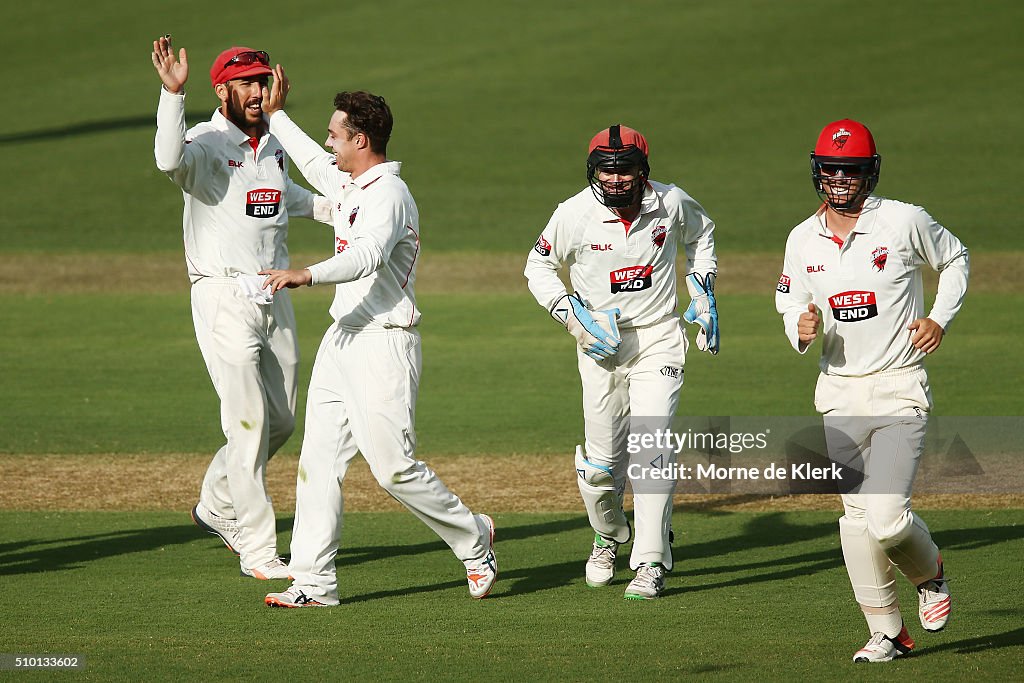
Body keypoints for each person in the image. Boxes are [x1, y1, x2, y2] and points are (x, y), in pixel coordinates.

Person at [257, 67, 497, 607]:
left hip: (386, 341)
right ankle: (314, 583)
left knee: (393, 468)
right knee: (318, 463)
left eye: (335, 133)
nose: (328, 142)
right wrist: (276, 116)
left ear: (360, 140)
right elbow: (315, 163)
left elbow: (367, 255)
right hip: (342, 339)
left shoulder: (389, 194)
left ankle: (473, 535)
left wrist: (306, 274)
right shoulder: (351, 182)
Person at [775, 119, 968, 662]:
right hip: (838, 394)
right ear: (817, 172)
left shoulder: (903, 220)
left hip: (898, 389)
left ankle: (930, 575)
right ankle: (887, 633)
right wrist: (799, 325)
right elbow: (789, 298)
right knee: (855, 523)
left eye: (852, 171)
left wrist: (939, 318)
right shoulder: (800, 238)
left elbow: (955, 258)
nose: (841, 181)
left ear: (870, 172)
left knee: (887, 519)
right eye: (832, 170)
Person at [151, 37, 331, 580]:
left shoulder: (271, 144)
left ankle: (216, 504)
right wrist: (171, 95)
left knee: (280, 421)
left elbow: (294, 200)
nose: (256, 92)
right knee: (249, 425)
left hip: (274, 292)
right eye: (246, 83)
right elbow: (168, 160)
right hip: (223, 296)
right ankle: (257, 550)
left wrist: (356, 211)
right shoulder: (205, 144)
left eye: (260, 80)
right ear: (223, 89)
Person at [524, 125, 719, 599]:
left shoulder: (670, 203)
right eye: (606, 171)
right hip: (600, 347)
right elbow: (538, 268)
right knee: (601, 466)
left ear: (642, 170)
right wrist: (574, 320)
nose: (615, 180)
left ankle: (651, 561)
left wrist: (703, 292)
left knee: (653, 448)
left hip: (658, 338)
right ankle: (608, 536)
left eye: (624, 170)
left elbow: (703, 235)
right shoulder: (573, 214)